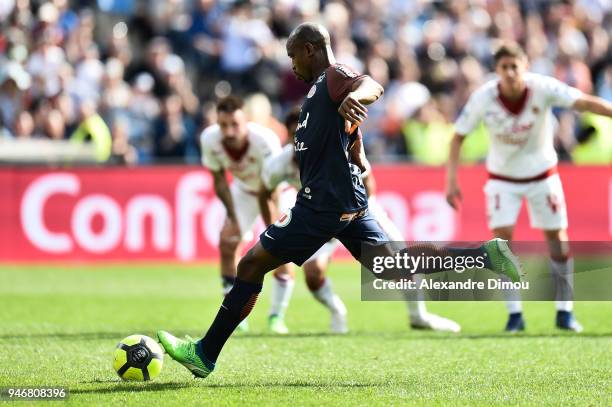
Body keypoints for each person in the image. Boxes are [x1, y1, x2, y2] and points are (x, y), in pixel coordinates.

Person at [157, 23, 521, 379]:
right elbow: (348, 141)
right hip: (344, 200)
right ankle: (487, 254)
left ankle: (204, 354)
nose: (292, 65)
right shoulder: (317, 92)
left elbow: (371, 86)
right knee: (393, 266)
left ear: (309, 49)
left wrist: (354, 98)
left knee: (251, 264)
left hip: (321, 204)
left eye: (293, 56)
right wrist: (355, 147)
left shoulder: (333, 77)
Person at [446, 41, 612, 333]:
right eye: (504, 67)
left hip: (542, 175)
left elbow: (584, 102)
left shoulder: (542, 87)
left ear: (525, 67)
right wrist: (451, 181)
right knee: (501, 244)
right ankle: (514, 315)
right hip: (502, 179)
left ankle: (564, 311)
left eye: (515, 66)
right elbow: (458, 136)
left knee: (558, 241)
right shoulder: (484, 97)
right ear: (496, 70)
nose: (510, 73)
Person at [258, 108, 461, 333]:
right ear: (288, 136)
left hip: (359, 209)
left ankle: (419, 316)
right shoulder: (281, 162)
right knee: (314, 276)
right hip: (319, 216)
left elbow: (368, 181)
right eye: (294, 134)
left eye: (303, 132)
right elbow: (265, 191)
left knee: (400, 258)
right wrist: (272, 222)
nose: (300, 139)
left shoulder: (337, 149)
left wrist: (359, 216)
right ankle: (338, 311)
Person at [199, 96, 295, 334]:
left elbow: (270, 185)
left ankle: (277, 315)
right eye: (224, 125)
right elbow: (220, 181)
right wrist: (232, 217)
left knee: (279, 250)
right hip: (243, 190)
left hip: (275, 192)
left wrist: (271, 224)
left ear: (246, 122)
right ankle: (235, 314)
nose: (229, 131)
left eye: (235, 124)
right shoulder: (209, 139)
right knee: (228, 242)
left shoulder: (265, 140)